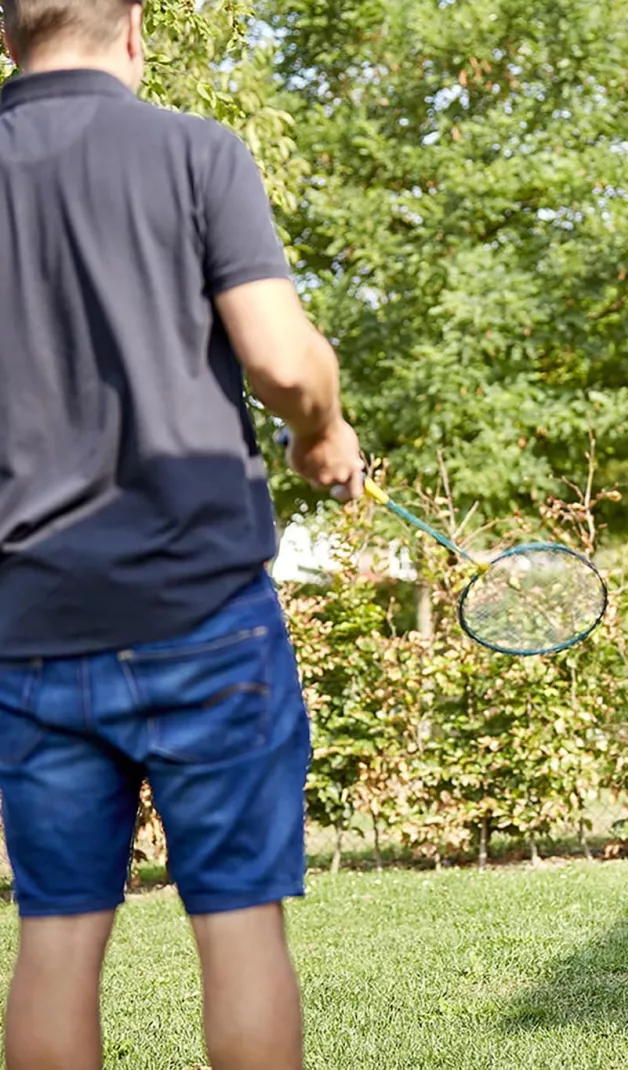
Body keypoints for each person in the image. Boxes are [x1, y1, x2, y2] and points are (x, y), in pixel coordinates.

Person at [0, 2, 363, 1065]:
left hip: (30, 621)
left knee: (56, 935)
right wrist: (323, 434)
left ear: (7, 35)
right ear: (134, 30)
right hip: (203, 612)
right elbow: (285, 361)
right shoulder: (197, 153)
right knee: (239, 919)